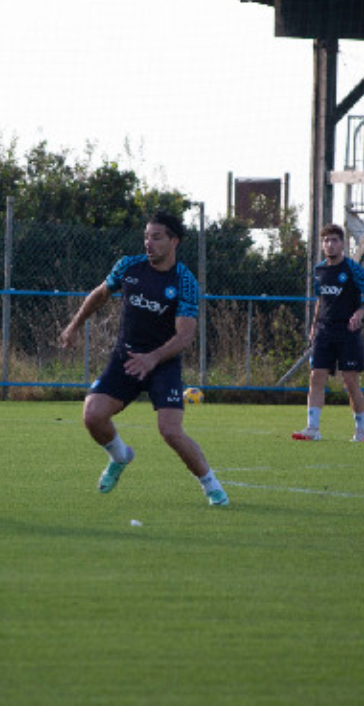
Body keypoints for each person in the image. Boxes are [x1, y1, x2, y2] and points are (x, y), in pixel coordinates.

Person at [59, 211, 229, 507]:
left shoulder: (184, 281)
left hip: (163, 363)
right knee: (93, 415)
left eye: (157, 237)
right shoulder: (129, 266)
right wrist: (74, 326)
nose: (149, 243)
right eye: (146, 237)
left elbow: (185, 335)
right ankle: (120, 456)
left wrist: (153, 358)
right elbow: (99, 295)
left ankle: (212, 487)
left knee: (170, 431)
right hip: (125, 357)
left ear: (174, 241)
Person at [292, 224, 364, 442]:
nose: (330, 244)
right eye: (326, 241)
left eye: (334, 240)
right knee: (316, 376)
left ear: (342, 244)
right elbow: (320, 300)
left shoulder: (353, 269)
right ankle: (313, 428)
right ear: (322, 245)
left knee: (350, 381)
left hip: (347, 332)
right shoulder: (319, 270)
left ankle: (360, 431)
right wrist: (313, 326)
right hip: (324, 330)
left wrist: (360, 312)